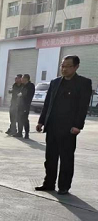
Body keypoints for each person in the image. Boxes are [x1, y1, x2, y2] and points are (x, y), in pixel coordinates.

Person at [35, 55, 92, 195]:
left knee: (66, 158)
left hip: (69, 128)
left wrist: (78, 125)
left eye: (68, 66)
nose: (64, 69)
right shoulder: (55, 83)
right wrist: (41, 121)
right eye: (62, 66)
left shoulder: (83, 83)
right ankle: (49, 183)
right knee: (50, 158)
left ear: (76, 67)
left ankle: (64, 186)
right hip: (52, 126)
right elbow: (47, 103)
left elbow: (83, 106)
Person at [17, 74, 35, 139]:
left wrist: (21, 95)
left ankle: (27, 133)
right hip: (20, 105)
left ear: (26, 79)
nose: (21, 79)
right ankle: (19, 132)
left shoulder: (30, 86)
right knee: (19, 118)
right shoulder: (23, 86)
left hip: (25, 105)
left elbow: (28, 95)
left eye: (22, 78)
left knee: (25, 119)